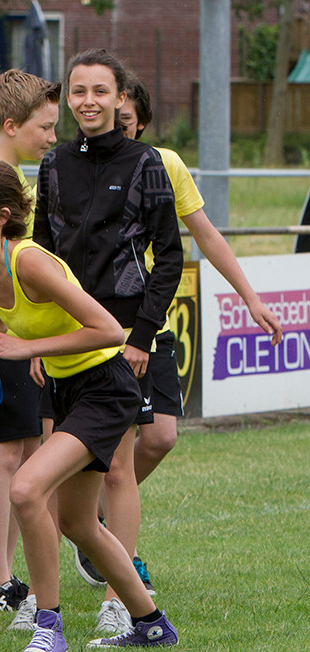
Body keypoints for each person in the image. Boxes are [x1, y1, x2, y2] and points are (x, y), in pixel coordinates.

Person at [0, 158, 178, 652]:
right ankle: (153, 625)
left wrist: (29, 349)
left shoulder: (29, 261)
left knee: (25, 489)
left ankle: (49, 627)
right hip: (65, 389)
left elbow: (109, 330)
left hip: (106, 387)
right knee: (79, 524)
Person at [75, 75, 283, 616]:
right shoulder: (73, 165)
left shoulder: (162, 164)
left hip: (151, 327)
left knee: (162, 437)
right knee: (116, 462)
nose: (112, 124)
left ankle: (96, 524)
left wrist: (250, 297)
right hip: (101, 334)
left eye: (124, 119)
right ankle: (117, 565)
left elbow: (204, 235)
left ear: (139, 122)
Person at [31, 48, 184, 635]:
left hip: (121, 339)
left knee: (118, 468)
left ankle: (119, 600)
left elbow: (169, 257)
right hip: (63, 340)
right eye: (79, 91)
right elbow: (40, 258)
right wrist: (42, 342)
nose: (89, 101)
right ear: (67, 98)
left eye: (100, 91)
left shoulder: (147, 163)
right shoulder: (53, 164)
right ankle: (39, 598)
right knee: (47, 471)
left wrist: (141, 337)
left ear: (122, 98)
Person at [0, 69, 60, 623]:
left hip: (18, 338)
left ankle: (7, 576)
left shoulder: (14, 177)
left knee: (26, 455)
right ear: (11, 124)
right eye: (44, 127)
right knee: (5, 456)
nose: (52, 137)